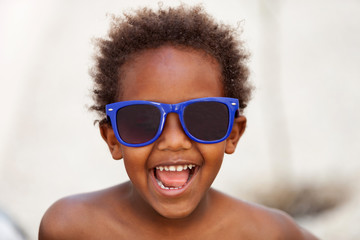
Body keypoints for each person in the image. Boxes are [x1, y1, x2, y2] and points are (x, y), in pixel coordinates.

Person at [39, 4, 318, 239]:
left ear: (233, 133)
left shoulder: (268, 233)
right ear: (113, 139)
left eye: (203, 117)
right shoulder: (70, 228)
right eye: (142, 119)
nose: (174, 141)